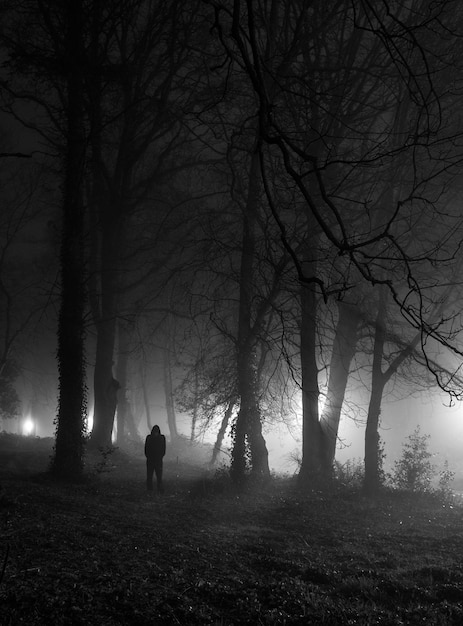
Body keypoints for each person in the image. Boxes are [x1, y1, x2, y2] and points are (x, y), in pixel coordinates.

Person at [144, 425, 166, 493]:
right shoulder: (151, 438)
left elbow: (163, 449)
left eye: (156, 432)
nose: (155, 433)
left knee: (158, 475)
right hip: (152, 459)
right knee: (150, 475)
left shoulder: (160, 438)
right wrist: (148, 456)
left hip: (157, 459)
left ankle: (158, 487)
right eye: (155, 432)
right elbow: (146, 448)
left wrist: (160, 456)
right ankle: (150, 488)